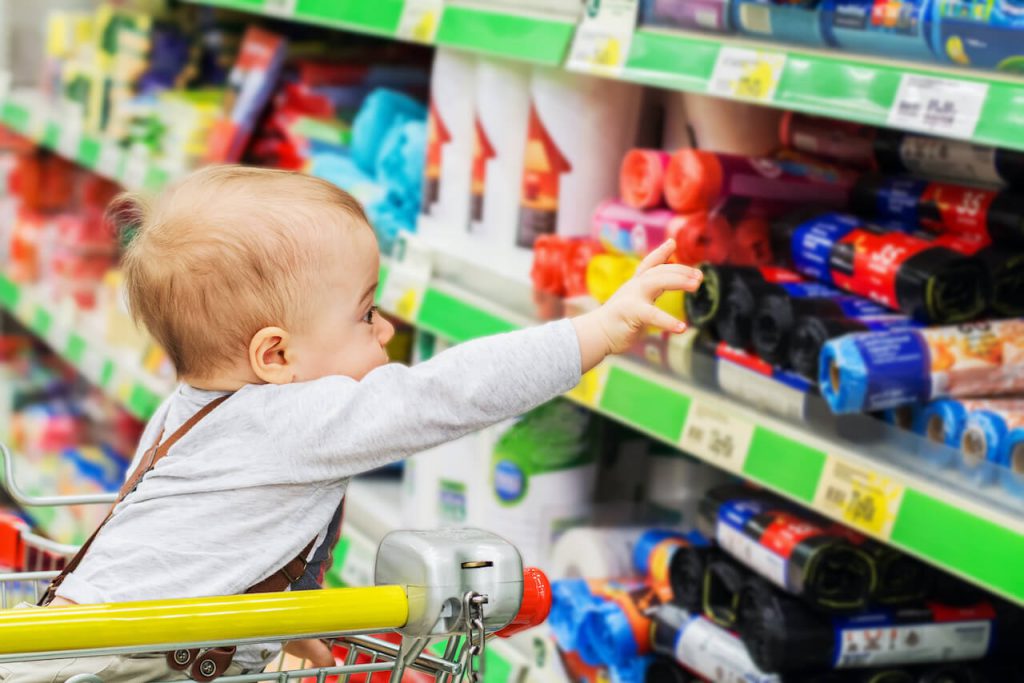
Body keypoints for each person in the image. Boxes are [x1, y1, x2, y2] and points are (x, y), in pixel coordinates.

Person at [0, 165, 701, 682]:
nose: (386, 328)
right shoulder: (297, 417)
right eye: (366, 313)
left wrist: (288, 611)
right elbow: (451, 392)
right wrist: (595, 332)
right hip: (126, 663)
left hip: (66, 636)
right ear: (277, 354)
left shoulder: (190, 404)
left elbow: (213, 530)